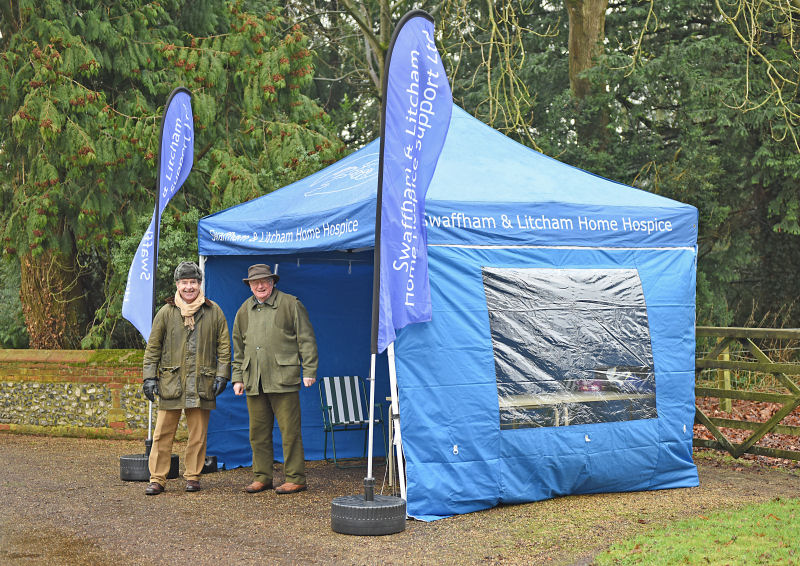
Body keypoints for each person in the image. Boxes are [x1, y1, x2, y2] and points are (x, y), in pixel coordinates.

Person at [141, 261, 230, 495]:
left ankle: (193, 476)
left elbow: (224, 347)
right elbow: (153, 349)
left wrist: (222, 375)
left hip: (202, 383)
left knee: (198, 435)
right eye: (184, 282)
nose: (188, 287)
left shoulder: (214, 311)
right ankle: (157, 478)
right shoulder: (165, 313)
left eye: (193, 282)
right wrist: (149, 377)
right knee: (162, 435)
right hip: (171, 384)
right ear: (177, 285)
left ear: (200, 284)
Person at [232, 264, 318, 494]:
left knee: (289, 432)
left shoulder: (291, 304)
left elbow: (306, 339)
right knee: (257, 433)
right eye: (255, 282)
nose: (260, 286)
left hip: (283, 378)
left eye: (264, 281)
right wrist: (237, 377)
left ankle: (296, 477)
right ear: (249, 285)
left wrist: (309, 370)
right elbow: (238, 347)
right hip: (254, 380)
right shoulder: (244, 310)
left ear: (273, 282)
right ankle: (262, 477)